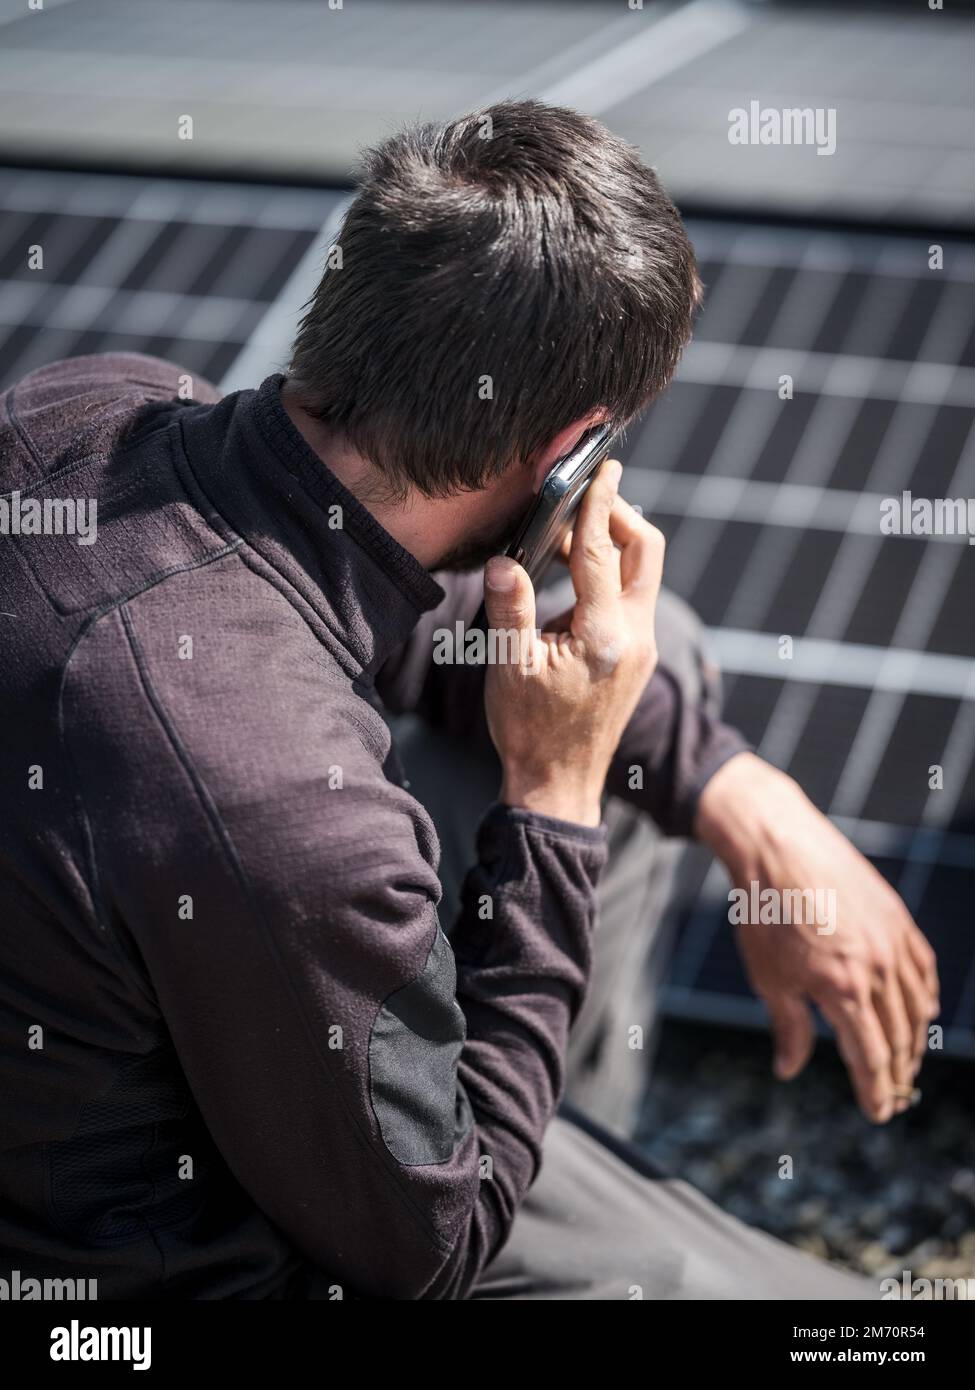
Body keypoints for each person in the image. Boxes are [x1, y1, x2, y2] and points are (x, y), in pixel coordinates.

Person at [0, 100, 937, 1300]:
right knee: (853, 1325)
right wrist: (556, 796)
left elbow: (419, 625)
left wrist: (746, 796)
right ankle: (519, 1163)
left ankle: (538, 1132)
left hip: (140, 1024)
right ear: (567, 461)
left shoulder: (91, 407)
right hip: (153, 1273)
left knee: (648, 657)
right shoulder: (290, 812)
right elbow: (427, 1252)